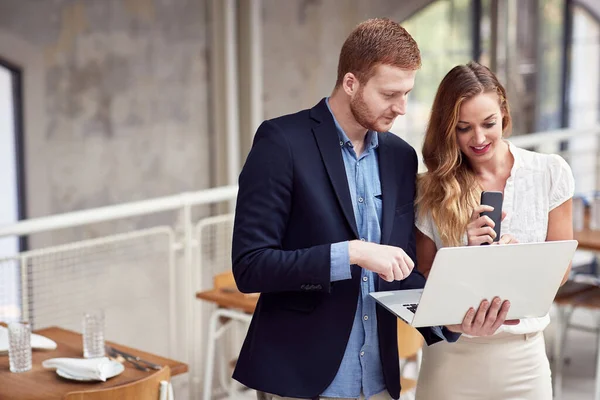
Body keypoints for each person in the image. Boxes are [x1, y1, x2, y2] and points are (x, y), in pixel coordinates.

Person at [231, 20, 511, 400]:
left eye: (407, 93)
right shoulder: (282, 143)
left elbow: (402, 269)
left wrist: (451, 321)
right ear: (351, 83)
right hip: (304, 380)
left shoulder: (399, 157)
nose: (401, 108)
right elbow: (251, 266)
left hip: (378, 381)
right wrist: (352, 253)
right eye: (389, 94)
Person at [414, 61, 574, 399]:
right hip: (451, 361)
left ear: (503, 112)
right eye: (464, 128)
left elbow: (560, 270)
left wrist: (518, 263)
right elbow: (422, 276)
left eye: (488, 123)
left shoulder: (549, 172)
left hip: (524, 359)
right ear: (447, 129)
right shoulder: (431, 188)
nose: (479, 138)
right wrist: (465, 257)